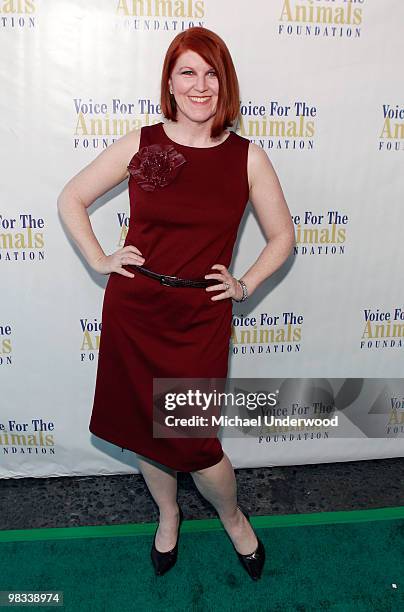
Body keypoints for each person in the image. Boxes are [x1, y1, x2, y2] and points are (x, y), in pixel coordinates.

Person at [57, 26, 295, 581]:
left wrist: (245, 283)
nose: (201, 85)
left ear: (225, 83)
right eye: (188, 71)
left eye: (212, 73)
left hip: (199, 319)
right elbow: (72, 197)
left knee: (193, 438)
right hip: (135, 311)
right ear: (169, 81)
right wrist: (98, 258)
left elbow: (282, 236)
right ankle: (168, 514)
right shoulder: (142, 143)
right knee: (147, 428)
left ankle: (233, 518)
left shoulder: (247, 158)